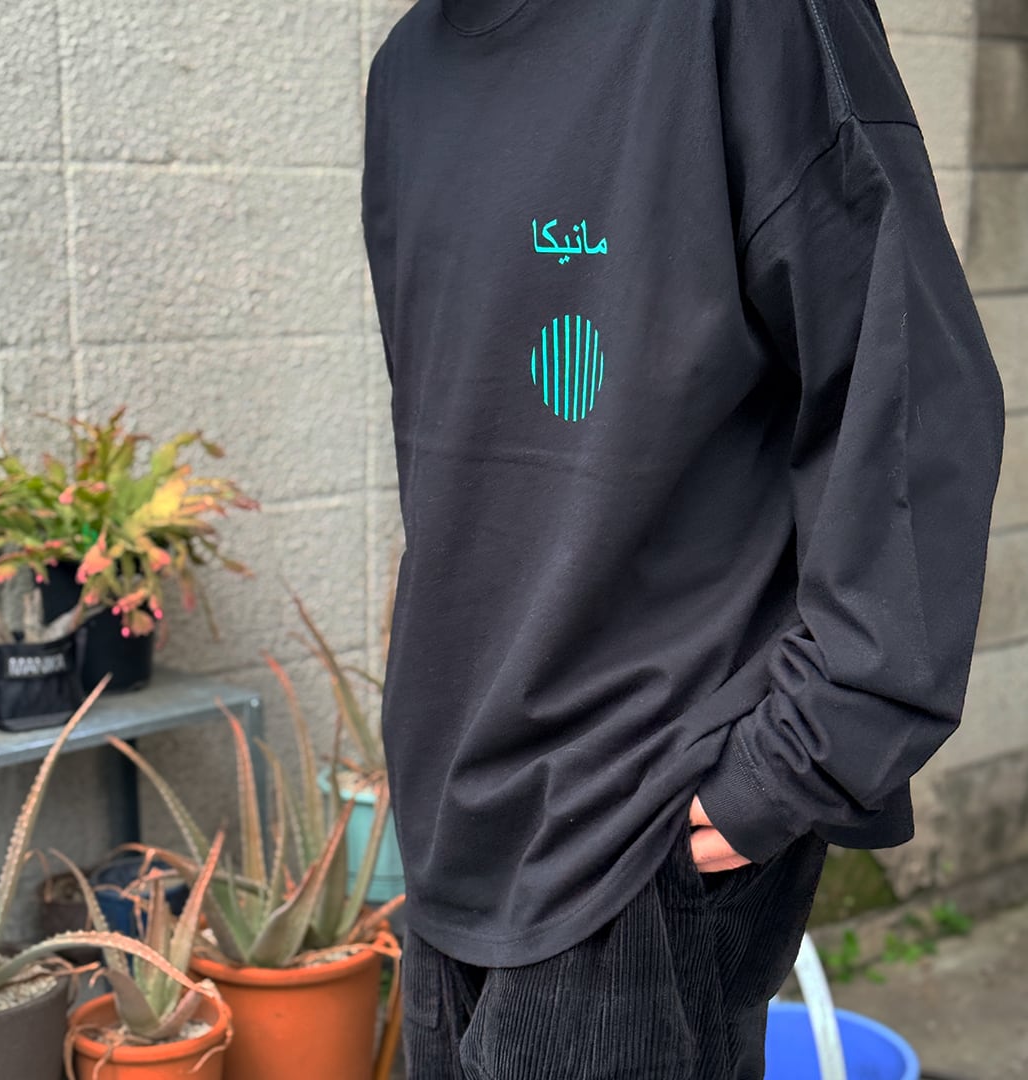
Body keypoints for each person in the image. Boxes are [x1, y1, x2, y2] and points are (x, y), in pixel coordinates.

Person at [360, 0, 1005, 1076]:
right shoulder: (407, 74)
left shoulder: (734, 19)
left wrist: (799, 758)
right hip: (447, 823)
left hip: (638, 830)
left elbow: (908, 389)